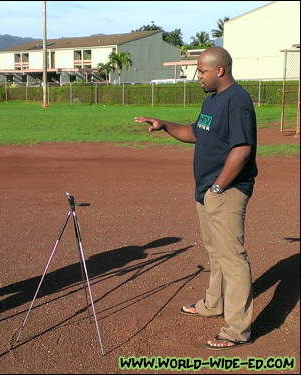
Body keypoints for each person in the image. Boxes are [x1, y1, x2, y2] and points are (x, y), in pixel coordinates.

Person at [135, 46, 258, 350]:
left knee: (233, 258)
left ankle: (238, 330)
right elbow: (195, 132)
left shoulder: (237, 100)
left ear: (220, 70)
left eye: (201, 71)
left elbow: (242, 149)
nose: (197, 76)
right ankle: (214, 304)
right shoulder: (212, 100)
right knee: (215, 252)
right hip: (208, 190)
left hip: (226, 191)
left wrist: (218, 187)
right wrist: (164, 125)